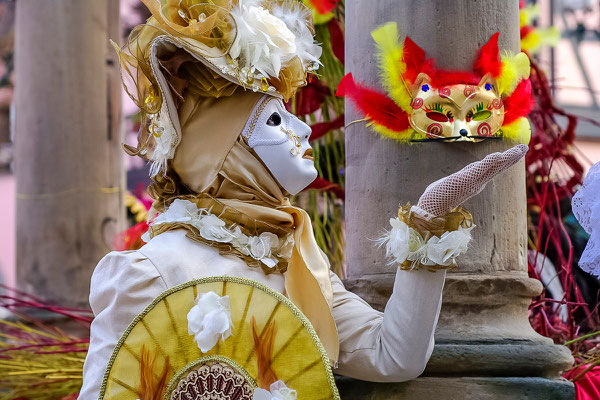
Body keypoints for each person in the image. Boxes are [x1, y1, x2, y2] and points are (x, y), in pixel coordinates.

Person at [79, 1, 528, 398]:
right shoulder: (153, 272)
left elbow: (393, 357)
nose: (303, 129)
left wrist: (427, 225)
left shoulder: (298, 259)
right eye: (276, 118)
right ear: (225, 149)